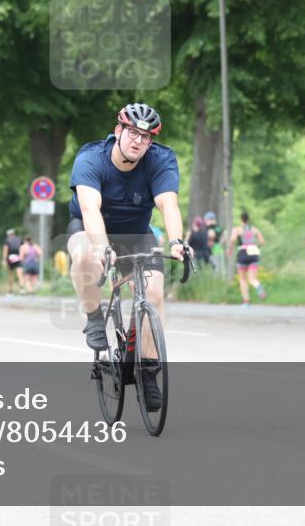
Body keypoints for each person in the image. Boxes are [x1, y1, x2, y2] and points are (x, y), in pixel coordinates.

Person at [67, 102, 187, 413]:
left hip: (136, 233)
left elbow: (169, 205)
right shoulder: (91, 158)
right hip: (91, 228)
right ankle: (94, 319)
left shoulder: (161, 160)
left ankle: (148, 373)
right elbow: (90, 209)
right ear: (118, 131)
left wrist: (176, 242)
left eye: (146, 137)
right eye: (133, 132)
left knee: (155, 294)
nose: (138, 141)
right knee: (83, 256)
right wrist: (101, 247)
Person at [229, 212, 267, 305]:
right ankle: (258, 287)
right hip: (253, 253)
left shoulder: (237, 229)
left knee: (242, 279)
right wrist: (256, 246)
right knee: (252, 279)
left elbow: (233, 239)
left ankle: (246, 300)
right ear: (248, 219)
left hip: (242, 253)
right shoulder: (254, 229)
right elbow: (262, 242)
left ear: (241, 219)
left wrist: (230, 249)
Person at [2, 229, 23, 294]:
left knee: (10, 275)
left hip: (10, 258)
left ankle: (10, 290)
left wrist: (4, 259)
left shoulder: (7, 240)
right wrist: (22, 257)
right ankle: (22, 289)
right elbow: (22, 249)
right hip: (18, 257)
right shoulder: (19, 239)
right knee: (20, 274)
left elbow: (5, 250)